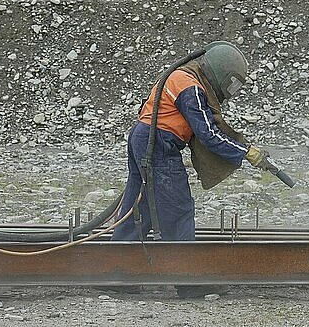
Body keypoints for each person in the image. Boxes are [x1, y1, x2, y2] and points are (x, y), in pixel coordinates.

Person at [110, 41, 269, 297]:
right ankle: (187, 280)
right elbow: (208, 134)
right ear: (220, 73)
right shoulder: (191, 88)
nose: (227, 93)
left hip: (143, 138)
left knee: (139, 206)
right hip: (158, 144)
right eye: (230, 85)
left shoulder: (182, 77)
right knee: (178, 209)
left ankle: (115, 273)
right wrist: (245, 151)